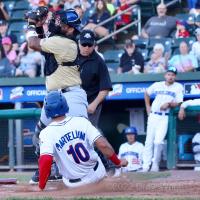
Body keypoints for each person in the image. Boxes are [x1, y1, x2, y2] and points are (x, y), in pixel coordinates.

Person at [26, 7, 88, 183]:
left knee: (82, 135)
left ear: (69, 28)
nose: (55, 22)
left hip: (70, 96)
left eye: (60, 22)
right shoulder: (59, 40)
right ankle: (49, 170)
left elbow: (33, 43)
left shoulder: (65, 42)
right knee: (40, 135)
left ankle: (104, 166)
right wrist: (39, 27)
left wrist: (31, 24)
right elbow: (44, 42)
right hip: (56, 96)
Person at [38, 91, 128, 190]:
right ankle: (109, 180)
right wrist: (118, 162)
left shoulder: (46, 133)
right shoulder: (81, 121)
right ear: (65, 105)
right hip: (96, 175)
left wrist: (41, 186)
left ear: (46, 110)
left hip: (72, 184)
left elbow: (46, 160)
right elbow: (103, 145)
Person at [142, 67, 184, 172]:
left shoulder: (178, 87)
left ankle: (155, 164)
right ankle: (145, 166)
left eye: (173, 75)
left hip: (165, 117)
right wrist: (148, 107)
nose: (170, 76)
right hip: (153, 116)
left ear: (175, 77)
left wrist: (169, 104)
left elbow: (179, 102)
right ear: (165, 75)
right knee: (148, 142)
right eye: (169, 74)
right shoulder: (157, 84)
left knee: (158, 142)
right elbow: (147, 93)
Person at [79, 30, 112, 128]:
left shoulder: (99, 61)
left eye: (89, 45)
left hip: (91, 102)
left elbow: (105, 88)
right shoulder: (71, 55)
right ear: (78, 43)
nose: (86, 48)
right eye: (84, 44)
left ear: (94, 45)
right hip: (74, 100)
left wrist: (94, 104)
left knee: (88, 132)